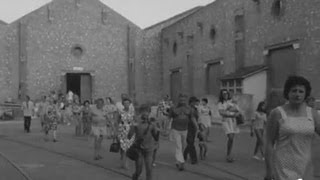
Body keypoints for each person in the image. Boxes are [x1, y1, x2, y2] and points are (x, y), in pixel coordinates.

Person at [264, 76, 320, 180]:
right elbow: (269, 143)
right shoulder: (277, 113)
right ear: (287, 93)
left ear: (306, 94)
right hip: (282, 167)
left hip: (305, 166)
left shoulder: (312, 114)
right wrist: (269, 170)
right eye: (294, 91)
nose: (297, 94)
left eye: (301, 91)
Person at [128, 104, 160, 180]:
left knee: (149, 169)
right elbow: (129, 136)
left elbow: (156, 138)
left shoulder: (152, 123)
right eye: (143, 112)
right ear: (140, 112)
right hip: (138, 148)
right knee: (139, 170)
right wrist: (133, 127)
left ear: (149, 113)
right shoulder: (136, 122)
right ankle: (135, 176)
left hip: (149, 148)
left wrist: (158, 131)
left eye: (147, 112)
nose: (145, 113)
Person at [169, 94, 197, 171]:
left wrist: (196, 127)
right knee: (178, 145)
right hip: (176, 129)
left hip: (185, 129)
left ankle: (178, 160)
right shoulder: (173, 108)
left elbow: (192, 118)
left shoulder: (189, 109)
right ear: (178, 100)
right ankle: (181, 162)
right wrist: (166, 128)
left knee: (183, 146)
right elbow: (169, 118)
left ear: (186, 100)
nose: (182, 101)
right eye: (181, 100)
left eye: (184, 100)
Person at [218, 89, 240, 163]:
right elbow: (222, 113)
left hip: (233, 122)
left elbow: (237, 110)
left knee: (232, 139)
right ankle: (228, 155)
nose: (225, 95)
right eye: (223, 94)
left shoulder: (231, 102)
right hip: (226, 122)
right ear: (221, 95)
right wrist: (231, 111)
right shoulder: (220, 103)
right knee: (230, 137)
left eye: (226, 93)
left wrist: (229, 110)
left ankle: (229, 155)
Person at [117, 98, 136, 169]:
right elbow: (117, 121)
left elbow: (135, 121)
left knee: (128, 147)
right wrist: (116, 131)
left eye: (128, 103)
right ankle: (123, 162)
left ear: (130, 104)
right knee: (122, 147)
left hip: (130, 130)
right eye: (125, 103)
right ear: (123, 104)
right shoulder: (120, 112)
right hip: (122, 129)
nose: (126, 104)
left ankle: (125, 162)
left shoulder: (132, 112)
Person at [183, 96, 199, 165]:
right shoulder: (188, 109)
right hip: (188, 126)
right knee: (191, 143)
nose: (195, 103)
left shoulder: (195, 109)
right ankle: (194, 158)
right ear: (191, 102)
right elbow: (192, 118)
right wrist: (197, 127)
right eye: (194, 102)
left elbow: (196, 118)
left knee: (190, 142)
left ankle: (184, 154)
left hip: (193, 127)